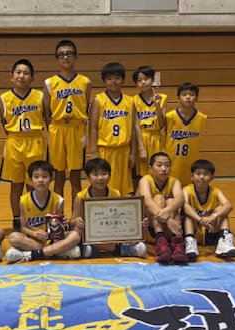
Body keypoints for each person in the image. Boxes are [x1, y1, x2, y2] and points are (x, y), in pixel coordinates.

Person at [43, 39, 92, 208]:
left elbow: (86, 106)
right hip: (57, 128)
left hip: (77, 129)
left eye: (69, 53)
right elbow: (46, 111)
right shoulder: (49, 83)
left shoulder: (85, 82)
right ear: (57, 59)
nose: (65, 57)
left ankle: (76, 215)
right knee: (58, 176)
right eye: (61, 54)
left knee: (76, 176)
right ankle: (59, 215)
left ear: (76, 56)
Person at [0, 59, 46, 232]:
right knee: (16, 185)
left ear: (32, 78)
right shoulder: (4, 98)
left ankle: (34, 216)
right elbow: (4, 123)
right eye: (18, 72)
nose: (21, 76)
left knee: (34, 183)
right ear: (11, 76)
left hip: (35, 141)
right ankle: (17, 219)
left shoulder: (40, 96)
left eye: (26, 73)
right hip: (15, 142)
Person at [5, 160, 82, 263]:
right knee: (13, 237)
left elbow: (58, 230)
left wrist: (62, 225)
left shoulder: (58, 200)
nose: (40, 180)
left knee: (75, 236)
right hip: (33, 240)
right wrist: (35, 233)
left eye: (44, 177)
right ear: (30, 180)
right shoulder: (23, 200)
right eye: (36, 177)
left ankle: (31, 254)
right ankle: (57, 251)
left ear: (51, 179)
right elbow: (23, 228)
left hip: (52, 240)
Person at [71, 158, 147, 259]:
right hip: (90, 234)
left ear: (110, 176)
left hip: (110, 232)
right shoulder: (80, 196)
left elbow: (122, 217)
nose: (100, 178)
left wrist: (138, 223)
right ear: (88, 178)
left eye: (104, 174)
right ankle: (123, 250)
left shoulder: (116, 194)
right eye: (95, 174)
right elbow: (71, 222)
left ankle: (92, 248)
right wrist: (77, 221)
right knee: (78, 230)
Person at [89, 62, 145, 196]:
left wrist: (133, 153)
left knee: (124, 188)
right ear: (104, 81)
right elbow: (93, 128)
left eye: (117, 78)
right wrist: (94, 152)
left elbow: (133, 130)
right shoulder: (98, 100)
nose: (113, 81)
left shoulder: (130, 101)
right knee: (105, 186)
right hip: (105, 150)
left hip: (124, 151)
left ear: (123, 80)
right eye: (109, 78)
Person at [182, 159, 235, 259]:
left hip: (211, 230)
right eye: (198, 174)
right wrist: (200, 220)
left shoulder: (216, 192)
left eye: (206, 174)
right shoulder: (187, 190)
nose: (201, 177)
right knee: (189, 211)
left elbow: (228, 205)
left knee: (221, 209)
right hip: (194, 229)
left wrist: (213, 216)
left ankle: (224, 240)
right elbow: (184, 207)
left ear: (212, 177)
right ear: (192, 176)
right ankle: (190, 241)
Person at [137, 152, 187, 263]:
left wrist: (168, 212)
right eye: (159, 165)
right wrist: (168, 220)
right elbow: (147, 201)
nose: (164, 169)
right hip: (150, 227)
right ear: (150, 168)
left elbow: (180, 199)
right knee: (159, 198)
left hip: (171, 228)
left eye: (167, 165)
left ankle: (177, 243)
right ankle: (160, 242)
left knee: (172, 201)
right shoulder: (145, 180)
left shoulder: (174, 181)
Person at [164, 82, 207, 186]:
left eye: (192, 94)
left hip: (190, 163)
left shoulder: (202, 118)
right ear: (178, 98)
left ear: (197, 98)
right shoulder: (169, 117)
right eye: (184, 94)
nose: (188, 97)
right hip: (172, 162)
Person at [132, 66, 167, 192]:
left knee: (156, 172)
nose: (143, 82)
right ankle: (140, 198)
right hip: (141, 138)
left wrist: (157, 105)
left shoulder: (162, 97)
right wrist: (141, 148)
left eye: (146, 79)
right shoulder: (133, 100)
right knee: (139, 174)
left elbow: (162, 124)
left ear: (152, 79)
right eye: (139, 80)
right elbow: (136, 125)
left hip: (156, 138)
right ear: (136, 84)